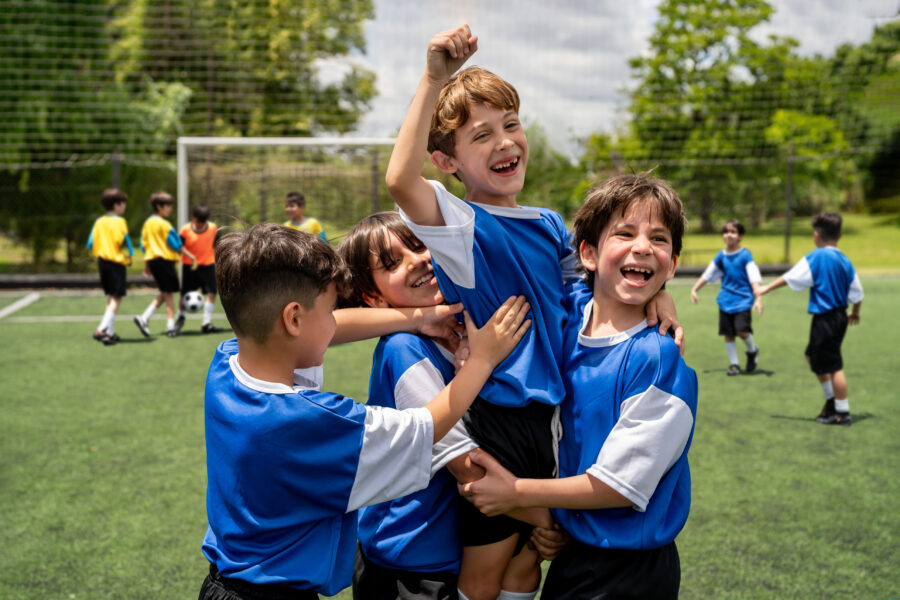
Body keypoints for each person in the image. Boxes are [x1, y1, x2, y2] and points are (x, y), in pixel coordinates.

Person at [385, 24, 682, 600]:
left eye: (511, 125)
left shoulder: (547, 223)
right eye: (482, 136)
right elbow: (400, 178)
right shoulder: (462, 227)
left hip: (557, 416)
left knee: (532, 562)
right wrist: (433, 79)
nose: (504, 143)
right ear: (447, 161)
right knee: (485, 577)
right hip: (504, 418)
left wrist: (658, 293)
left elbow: (594, 286)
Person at [198, 222, 532, 599]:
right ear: (293, 319)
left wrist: (418, 317)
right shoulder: (307, 422)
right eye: (329, 309)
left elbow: (331, 326)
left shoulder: (229, 364)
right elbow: (425, 426)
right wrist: (483, 360)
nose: (336, 319)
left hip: (223, 584)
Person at [461, 173, 698, 600]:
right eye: (624, 233)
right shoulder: (568, 315)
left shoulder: (658, 359)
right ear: (587, 253)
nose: (642, 246)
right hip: (573, 551)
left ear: (673, 263)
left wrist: (515, 494)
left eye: (659, 239)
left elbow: (616, 487)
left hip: (628, 572)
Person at [338, 213, 563, 600]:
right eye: (392, 263)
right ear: (373, 299)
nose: (417, 260)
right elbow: (466, 467)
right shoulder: (403, 348)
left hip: (462, 553)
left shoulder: (466, 327)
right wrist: (550, 518)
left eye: (419, 244)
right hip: (410, 565)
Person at [758, 212, 863, 426]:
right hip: (839, 317)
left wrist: (766, 289)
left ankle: (842, 412)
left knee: (833, 365)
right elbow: (858, 292)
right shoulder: (844, 260)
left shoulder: (816, 257)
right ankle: (832, 401)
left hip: (825, 317)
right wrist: (856, 312)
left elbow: (790, 277)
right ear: (840, 234)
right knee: (812, 356)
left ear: (816, 235)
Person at [690, 219, 763, 375]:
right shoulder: (721, 256)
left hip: (743, 301)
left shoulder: (745, 255)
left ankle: (752, 350)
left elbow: (754, 277)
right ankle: (734, 364)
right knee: (728, 334)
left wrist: (758, 297)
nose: (729, 235)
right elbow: (709, 273)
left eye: (733, 232)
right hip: (725, 301)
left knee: (742, 331)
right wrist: (695, 289)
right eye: (726, 232)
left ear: (740, 236)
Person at [133, 191, 196, 338]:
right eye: (167, 206)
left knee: (165, 291)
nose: (170, 209)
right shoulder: (165, 225)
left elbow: (144, 245)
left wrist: (148, 263)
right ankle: (170, 326)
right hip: (165, 261)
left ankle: (144, 318)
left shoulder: (147, 224)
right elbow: (176, 245)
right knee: (168, 295)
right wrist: (190, 256)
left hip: (154, 261)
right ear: (159, 207)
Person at [87, 188, 134, 346]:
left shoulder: (99, 221)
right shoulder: (120, 222)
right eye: (123, 204)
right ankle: (101, 329)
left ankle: (110, 332)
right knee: (117, 298)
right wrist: (130, 257)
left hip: (102, 262)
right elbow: (126, 242)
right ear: (117, 205)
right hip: (116, 263)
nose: (124, 207)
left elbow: (90, 243)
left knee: (111, 296)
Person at [174, 204, 225, 334]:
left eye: (204, 222)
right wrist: (189, 257)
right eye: (198, 222)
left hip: (208, 266)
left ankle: (206, 323)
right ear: (193, 217)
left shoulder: (213, 228)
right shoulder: (185, 230)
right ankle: (180, 317)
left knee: (212, 293)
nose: (201, 225)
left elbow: (218, 245)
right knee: (184, 293)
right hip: (189, 267)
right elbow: (179, 247)